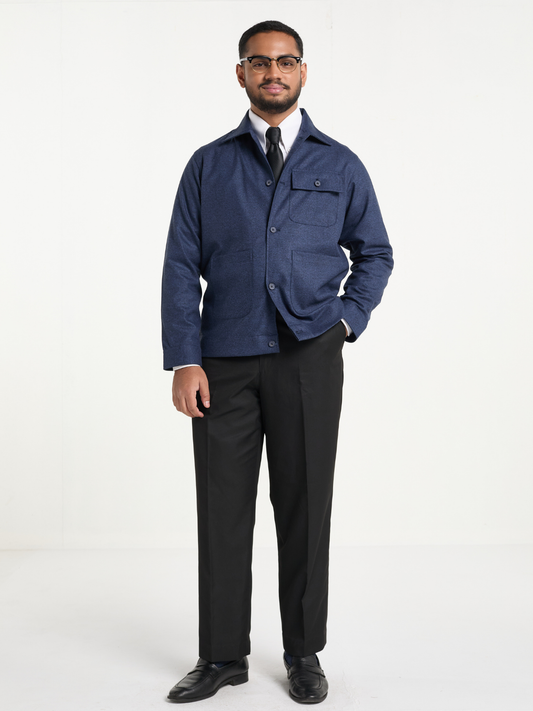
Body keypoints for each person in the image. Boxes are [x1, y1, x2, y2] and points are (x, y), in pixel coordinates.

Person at [161, 19, 393, 704]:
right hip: (223, 363)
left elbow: (375, 253)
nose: (273, 72)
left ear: (302, 71)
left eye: (286, 61)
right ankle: (221, 656)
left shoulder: (339, 164)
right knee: (221, 510)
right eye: (259, 62)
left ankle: (303, 652)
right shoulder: (208, 165)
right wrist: (184, 358)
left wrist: (347, 320)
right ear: (241, 73)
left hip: (308, 357)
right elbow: (180, 265)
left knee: (305, 506)